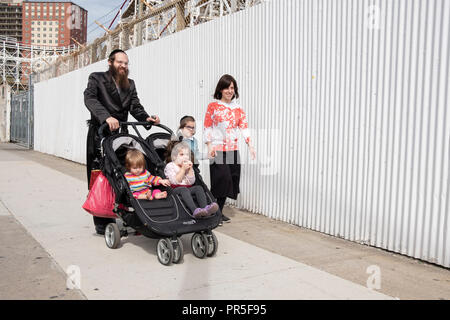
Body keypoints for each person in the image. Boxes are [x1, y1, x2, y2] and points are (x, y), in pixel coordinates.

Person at [84, 48, 161, 235]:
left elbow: (135, 106)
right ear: (110, 62)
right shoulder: (96, 78)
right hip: (100, 134)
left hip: (121, 136)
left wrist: (146, 118)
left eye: (126, 63)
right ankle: (102, 219)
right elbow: (90, 99)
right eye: (120, 62)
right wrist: (106, 117)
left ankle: (131, 212)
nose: (123, 66)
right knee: (100, 175)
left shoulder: (130, 84)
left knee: (127, 172)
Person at [203, 74, 256, 224]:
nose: (229, 90)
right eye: (226, 87)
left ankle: (217, 211)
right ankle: (214, 212)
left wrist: (250, 145)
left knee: (230, 181)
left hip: (232, 149)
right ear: (220, 89)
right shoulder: (213, 106)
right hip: (217, 148)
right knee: (222, 179)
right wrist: (209, 145)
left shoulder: (238, 108)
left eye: (232, 87)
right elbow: (207, 126)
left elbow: (244, 127)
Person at [164, 141, 219, 218]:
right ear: (174, 157)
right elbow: (175, 181)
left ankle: (205, 209)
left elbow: (191, 182)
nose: (185, 157)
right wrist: (183, 170)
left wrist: (190, 170)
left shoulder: (187, 166)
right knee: (184, 189)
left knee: (198, 188)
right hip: (175, 189)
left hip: (187, 188)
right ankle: (194, 210)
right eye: (182, 154)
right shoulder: (170, 166)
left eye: (187, 155)